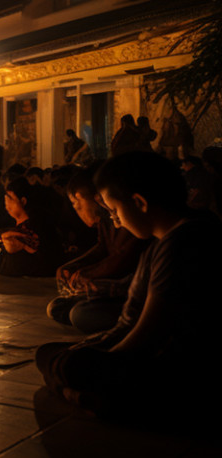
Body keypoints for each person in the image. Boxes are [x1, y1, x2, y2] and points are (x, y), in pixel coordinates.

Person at [36, 152, 221, 424]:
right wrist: (90, 346)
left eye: (114, 210)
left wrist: (104, 360)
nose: (116, 221)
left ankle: (101, 398)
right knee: (50, 354)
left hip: (179, 366)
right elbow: (127, 322)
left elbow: (147, 333)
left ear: (139, 203)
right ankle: (82, 393)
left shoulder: (183, 242)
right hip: (149, 353)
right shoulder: (160, 243)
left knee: (67, 364)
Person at [47, 169, 147, 333]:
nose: (114, 218)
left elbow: (125, 259)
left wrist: (92, 277)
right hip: (119, 293)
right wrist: (78, 269)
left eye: (113, 209)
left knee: (80, 314)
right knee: (58, 307)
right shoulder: (108, 220)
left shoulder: (139, 229)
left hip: (132, 299)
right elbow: (103, 248)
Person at [0, 178, 65, 276]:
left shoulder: (32, 229)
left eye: (10, 198)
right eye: (6, 198)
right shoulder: (20, 225)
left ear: (23, 201)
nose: (6, 203)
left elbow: (13, 265)